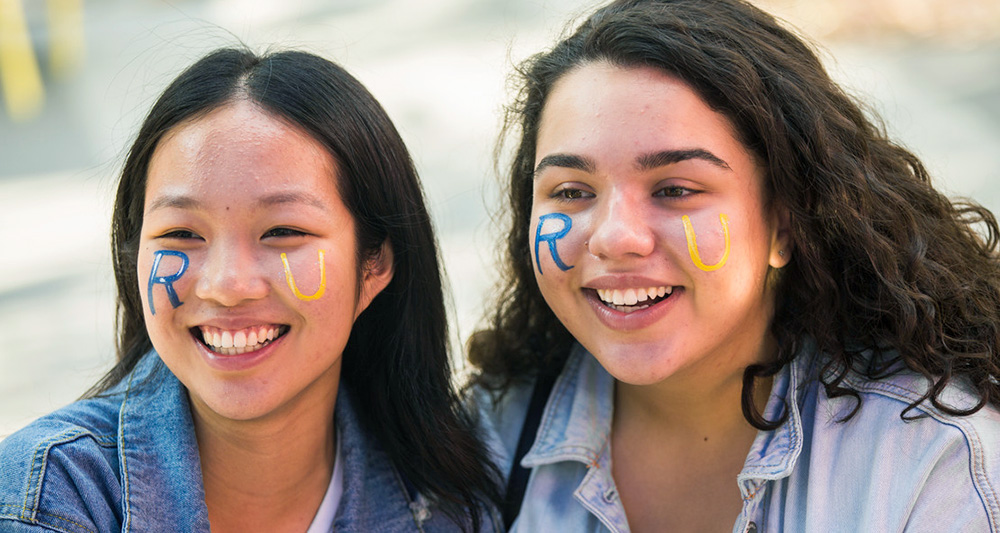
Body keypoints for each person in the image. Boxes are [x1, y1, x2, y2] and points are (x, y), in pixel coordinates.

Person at [467, 0, 1000, 531]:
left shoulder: (931, 460)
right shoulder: (487, 437)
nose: (614, 238)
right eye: (572, 191)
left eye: (675, 189)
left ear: (786, 223)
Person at [0, 48, 501, 532]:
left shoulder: (452, 508)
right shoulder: (48, 499)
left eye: (283, 232)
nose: (226, 286)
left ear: (374, 265)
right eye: (182, 234)